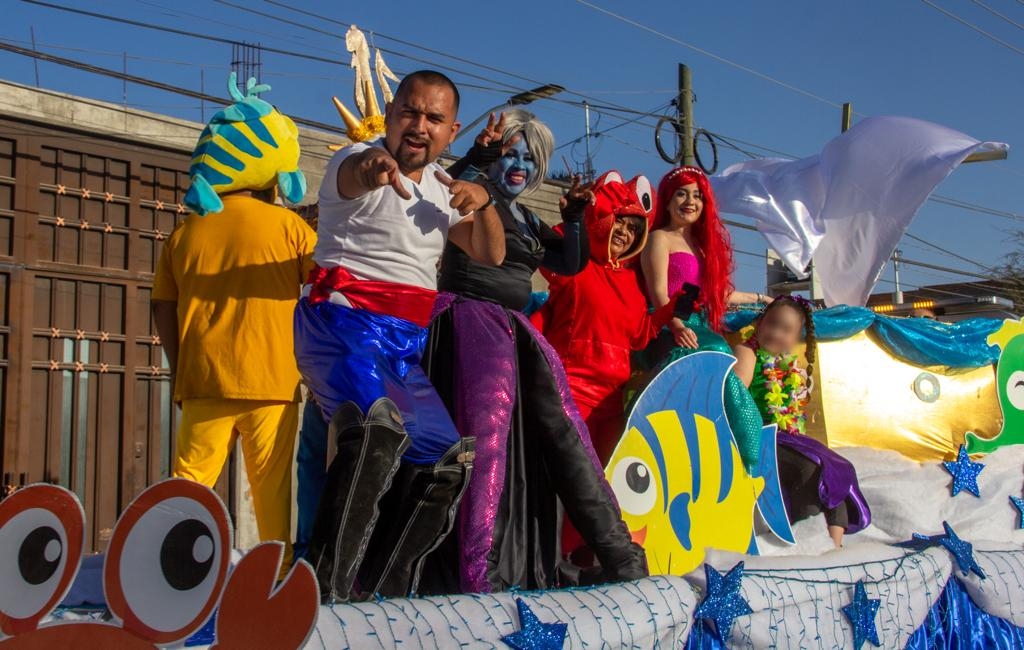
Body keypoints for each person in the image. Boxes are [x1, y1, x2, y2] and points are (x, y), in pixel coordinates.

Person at [293, 70, 505, 602]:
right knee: (375, 431)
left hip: (401, 346)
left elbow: (491, 255)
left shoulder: (441, 190)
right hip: (341, 324)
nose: (419, 126)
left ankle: (379, 594)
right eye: (409, 112)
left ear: (451, 131)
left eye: (433, 118)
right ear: (389, 115)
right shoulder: (354, 159)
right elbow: (362, 173)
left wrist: (485, 203)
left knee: (444, 461)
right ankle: (323, 592)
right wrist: (376, 166)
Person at [421, 111, 647, 593]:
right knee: (484, 446)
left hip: (514, 334)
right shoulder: (472, 196)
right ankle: (476, 571)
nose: (519, 165)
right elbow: (442, 188)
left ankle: (621, 558)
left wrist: (573, 218)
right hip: (468, 324)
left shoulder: (525, 216)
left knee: (567, 435)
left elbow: (569, 260)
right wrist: (479, 155)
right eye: (510, 155)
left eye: (529, 157)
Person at [152, 75, 315, 573]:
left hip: (204, 379)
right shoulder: (291, 228)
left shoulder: (185, 233)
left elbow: (162, 307)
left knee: (189, 482)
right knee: (272, 494)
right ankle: (277, 579)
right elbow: (326, 290)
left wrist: (181, 369)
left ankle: (170, 574)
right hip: (273, 380)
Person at [531, 171, 682, 467]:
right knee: (571, 478)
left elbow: (639, 335)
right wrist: (577, 219)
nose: (626, 233)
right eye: (620, 222)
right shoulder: (576, 266)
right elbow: (553, 252)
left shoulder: (631, 281)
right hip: (570, 391)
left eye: (634, 229)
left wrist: (672, 308)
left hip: (612, 400)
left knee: (604, 481)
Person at [640, 165, 770, 472]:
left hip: (700, 326)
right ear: (669, 200)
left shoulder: (701, 247)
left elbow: (719, 294)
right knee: (721, 353)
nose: (690, 201)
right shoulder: (659, 238)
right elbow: (658, 291)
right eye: (682, 194)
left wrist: (761, 299)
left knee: (726, 357)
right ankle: (749, 451)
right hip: (666, 325)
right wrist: (676, 324)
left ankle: (737, 445)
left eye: (697, 195)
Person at [733, 296, 871, 548]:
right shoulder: (748, 352)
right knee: (811, 469)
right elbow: (737, 397)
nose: (776, 333)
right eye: (772, 324)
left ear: (796, 337)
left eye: (785, 330)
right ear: (760, 323)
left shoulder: (788, 364)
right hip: (759, 434)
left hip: (786, 435)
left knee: (837, 466)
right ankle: (806, 537)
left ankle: (835, 545)